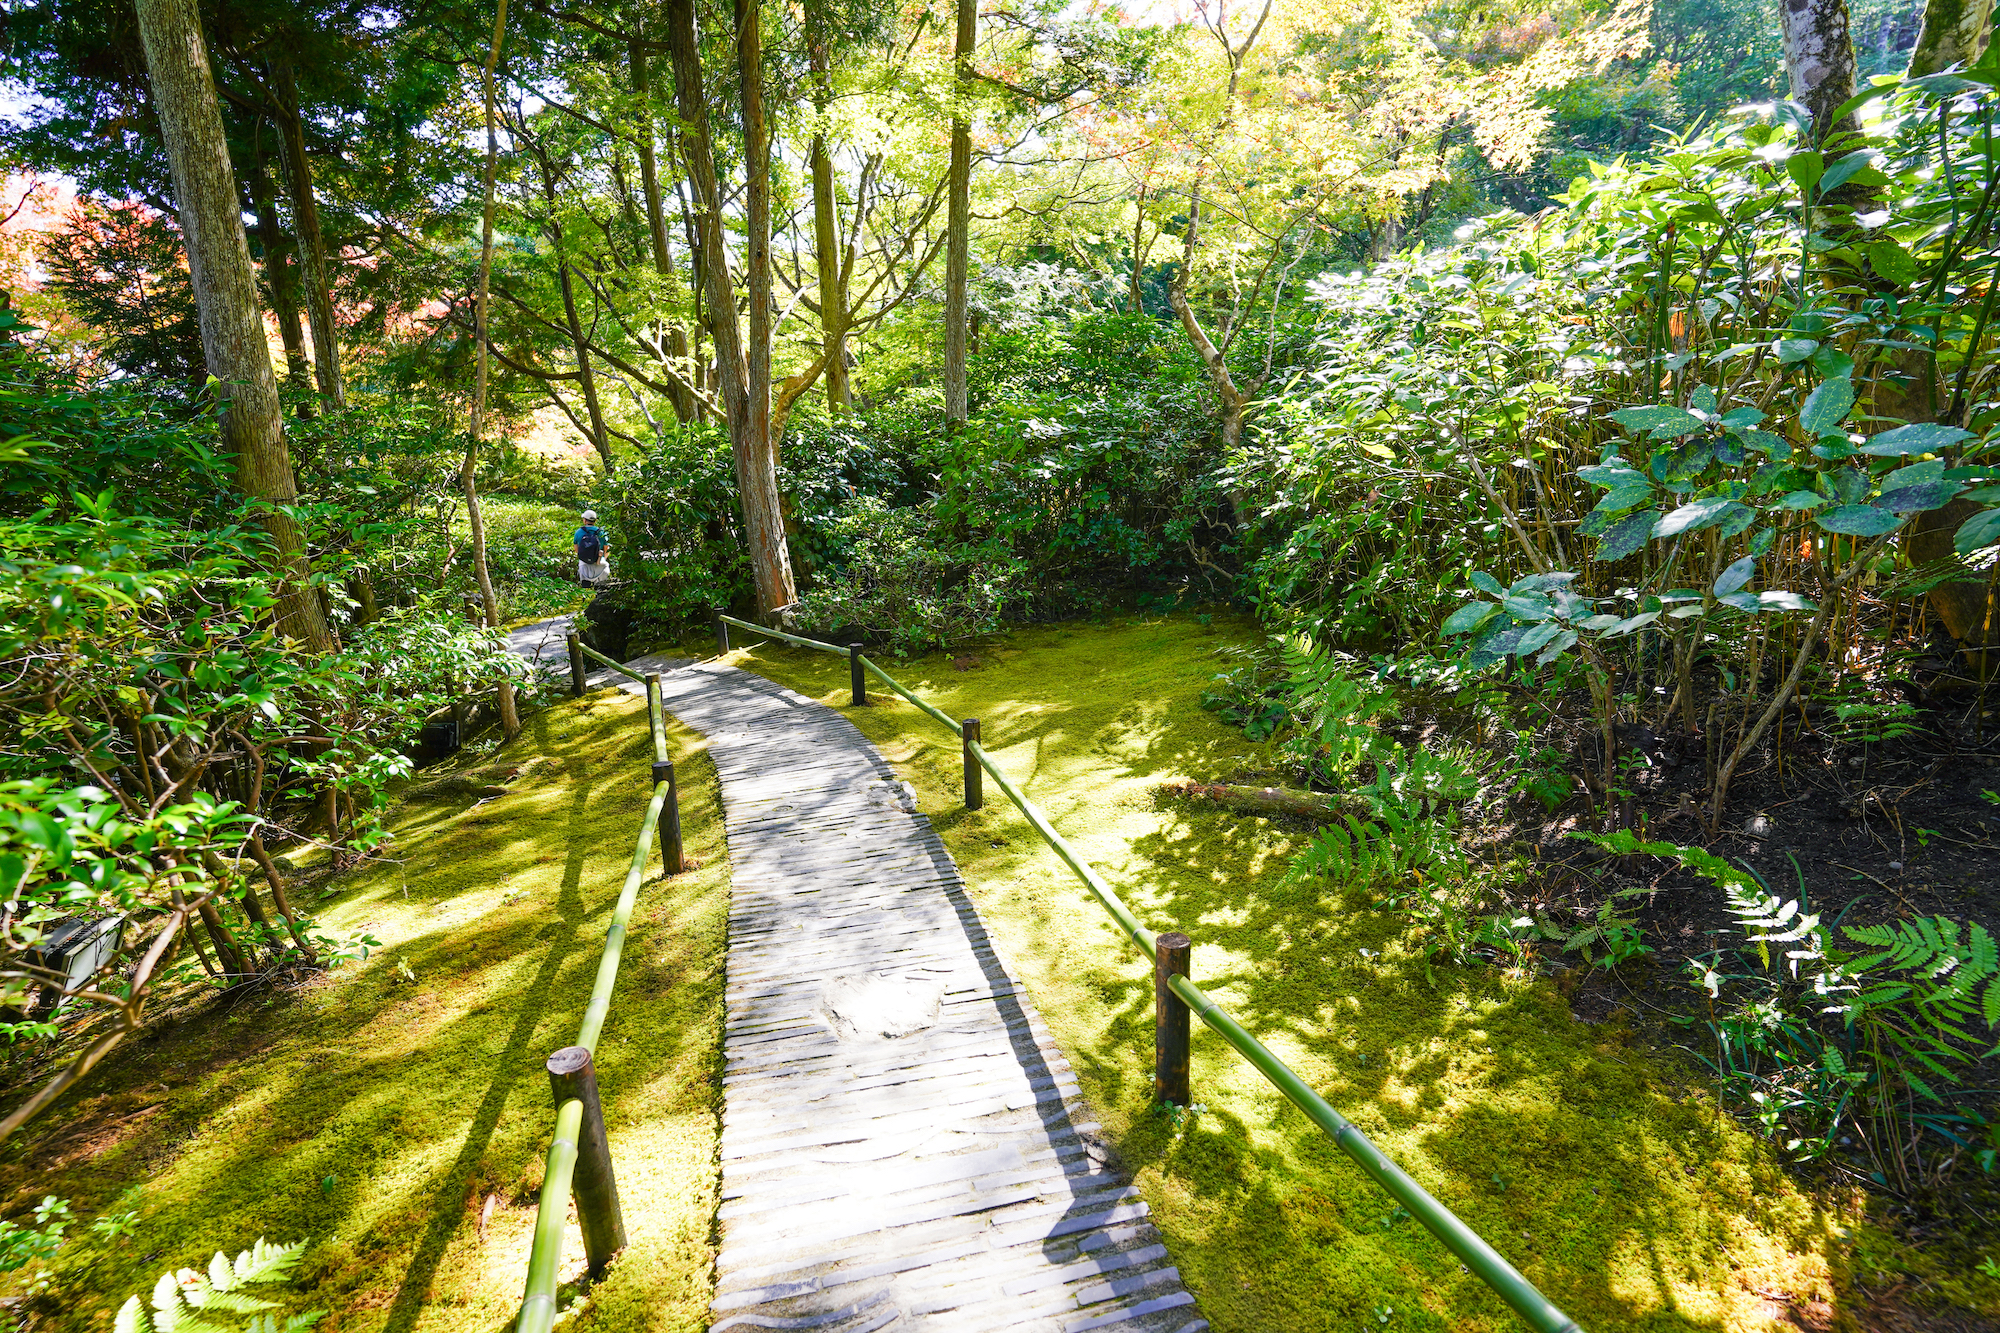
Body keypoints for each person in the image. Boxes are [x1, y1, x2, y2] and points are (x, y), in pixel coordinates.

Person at [573, 510, 611, 587]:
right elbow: (607, 548)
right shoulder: (601, 532)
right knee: (602, 589)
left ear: (585, 520)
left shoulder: (578, 532)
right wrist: (602, 558)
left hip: (584, 565)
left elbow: (576, 549)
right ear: (595, 521)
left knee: (585, 589)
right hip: (600, 564)